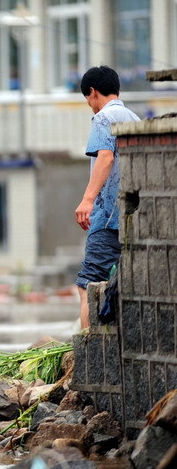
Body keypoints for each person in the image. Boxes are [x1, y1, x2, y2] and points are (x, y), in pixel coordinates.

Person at [74, 65, 140, 329]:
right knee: (121, 289)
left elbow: (105, 156)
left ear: (92, 93)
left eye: (88, 100)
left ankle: (89, 354)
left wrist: (87, 200)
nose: (90, 106)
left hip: (107, 218)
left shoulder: (104, 117)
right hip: (131, 219)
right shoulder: (134, 118)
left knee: (87, 286)